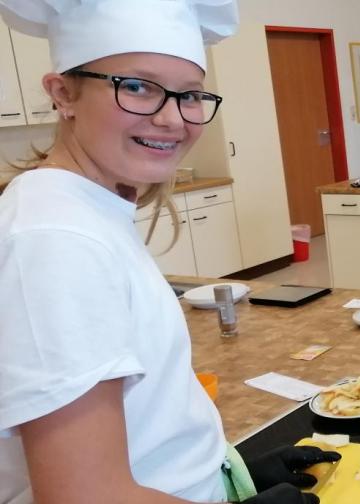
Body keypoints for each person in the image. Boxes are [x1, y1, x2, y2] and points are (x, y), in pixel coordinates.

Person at [0, 1, 335, 503]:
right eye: (137, 87)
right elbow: (88, 496)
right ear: (63, 93)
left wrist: (230, 473)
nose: (172, 118)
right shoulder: (54, 238)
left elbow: (147, 417)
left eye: (190, 94)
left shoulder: (86, 207)